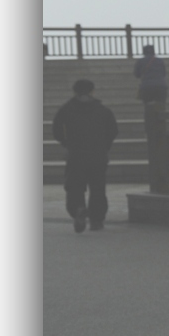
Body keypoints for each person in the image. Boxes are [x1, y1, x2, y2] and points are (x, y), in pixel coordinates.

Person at [52, 79, 119, 232]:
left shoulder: (66, 109)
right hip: (98, 154)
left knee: (75, 186)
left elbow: (56, 130)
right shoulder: (103, 110)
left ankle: (78, 209)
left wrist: (66, 143)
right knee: (97, 187)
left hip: (76, 154)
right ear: (92, 91)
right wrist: (105, 147)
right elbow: (113, 131)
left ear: (74, 91)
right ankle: (96, 219)